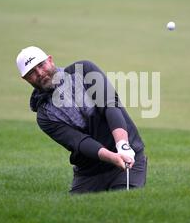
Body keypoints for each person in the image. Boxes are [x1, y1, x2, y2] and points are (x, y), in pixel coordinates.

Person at [16, 46, 147, 194]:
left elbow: (109, 105)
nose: (40, 73)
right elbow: (79, 141)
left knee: (124, 206)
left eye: (41, 65)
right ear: (26, 79)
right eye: (32, 72)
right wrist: (113, 157)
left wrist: (122, 145)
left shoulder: (84, 70)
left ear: (50, 60)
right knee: (76, 213)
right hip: (89, 172)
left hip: (129, 157)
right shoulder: (44, 115)